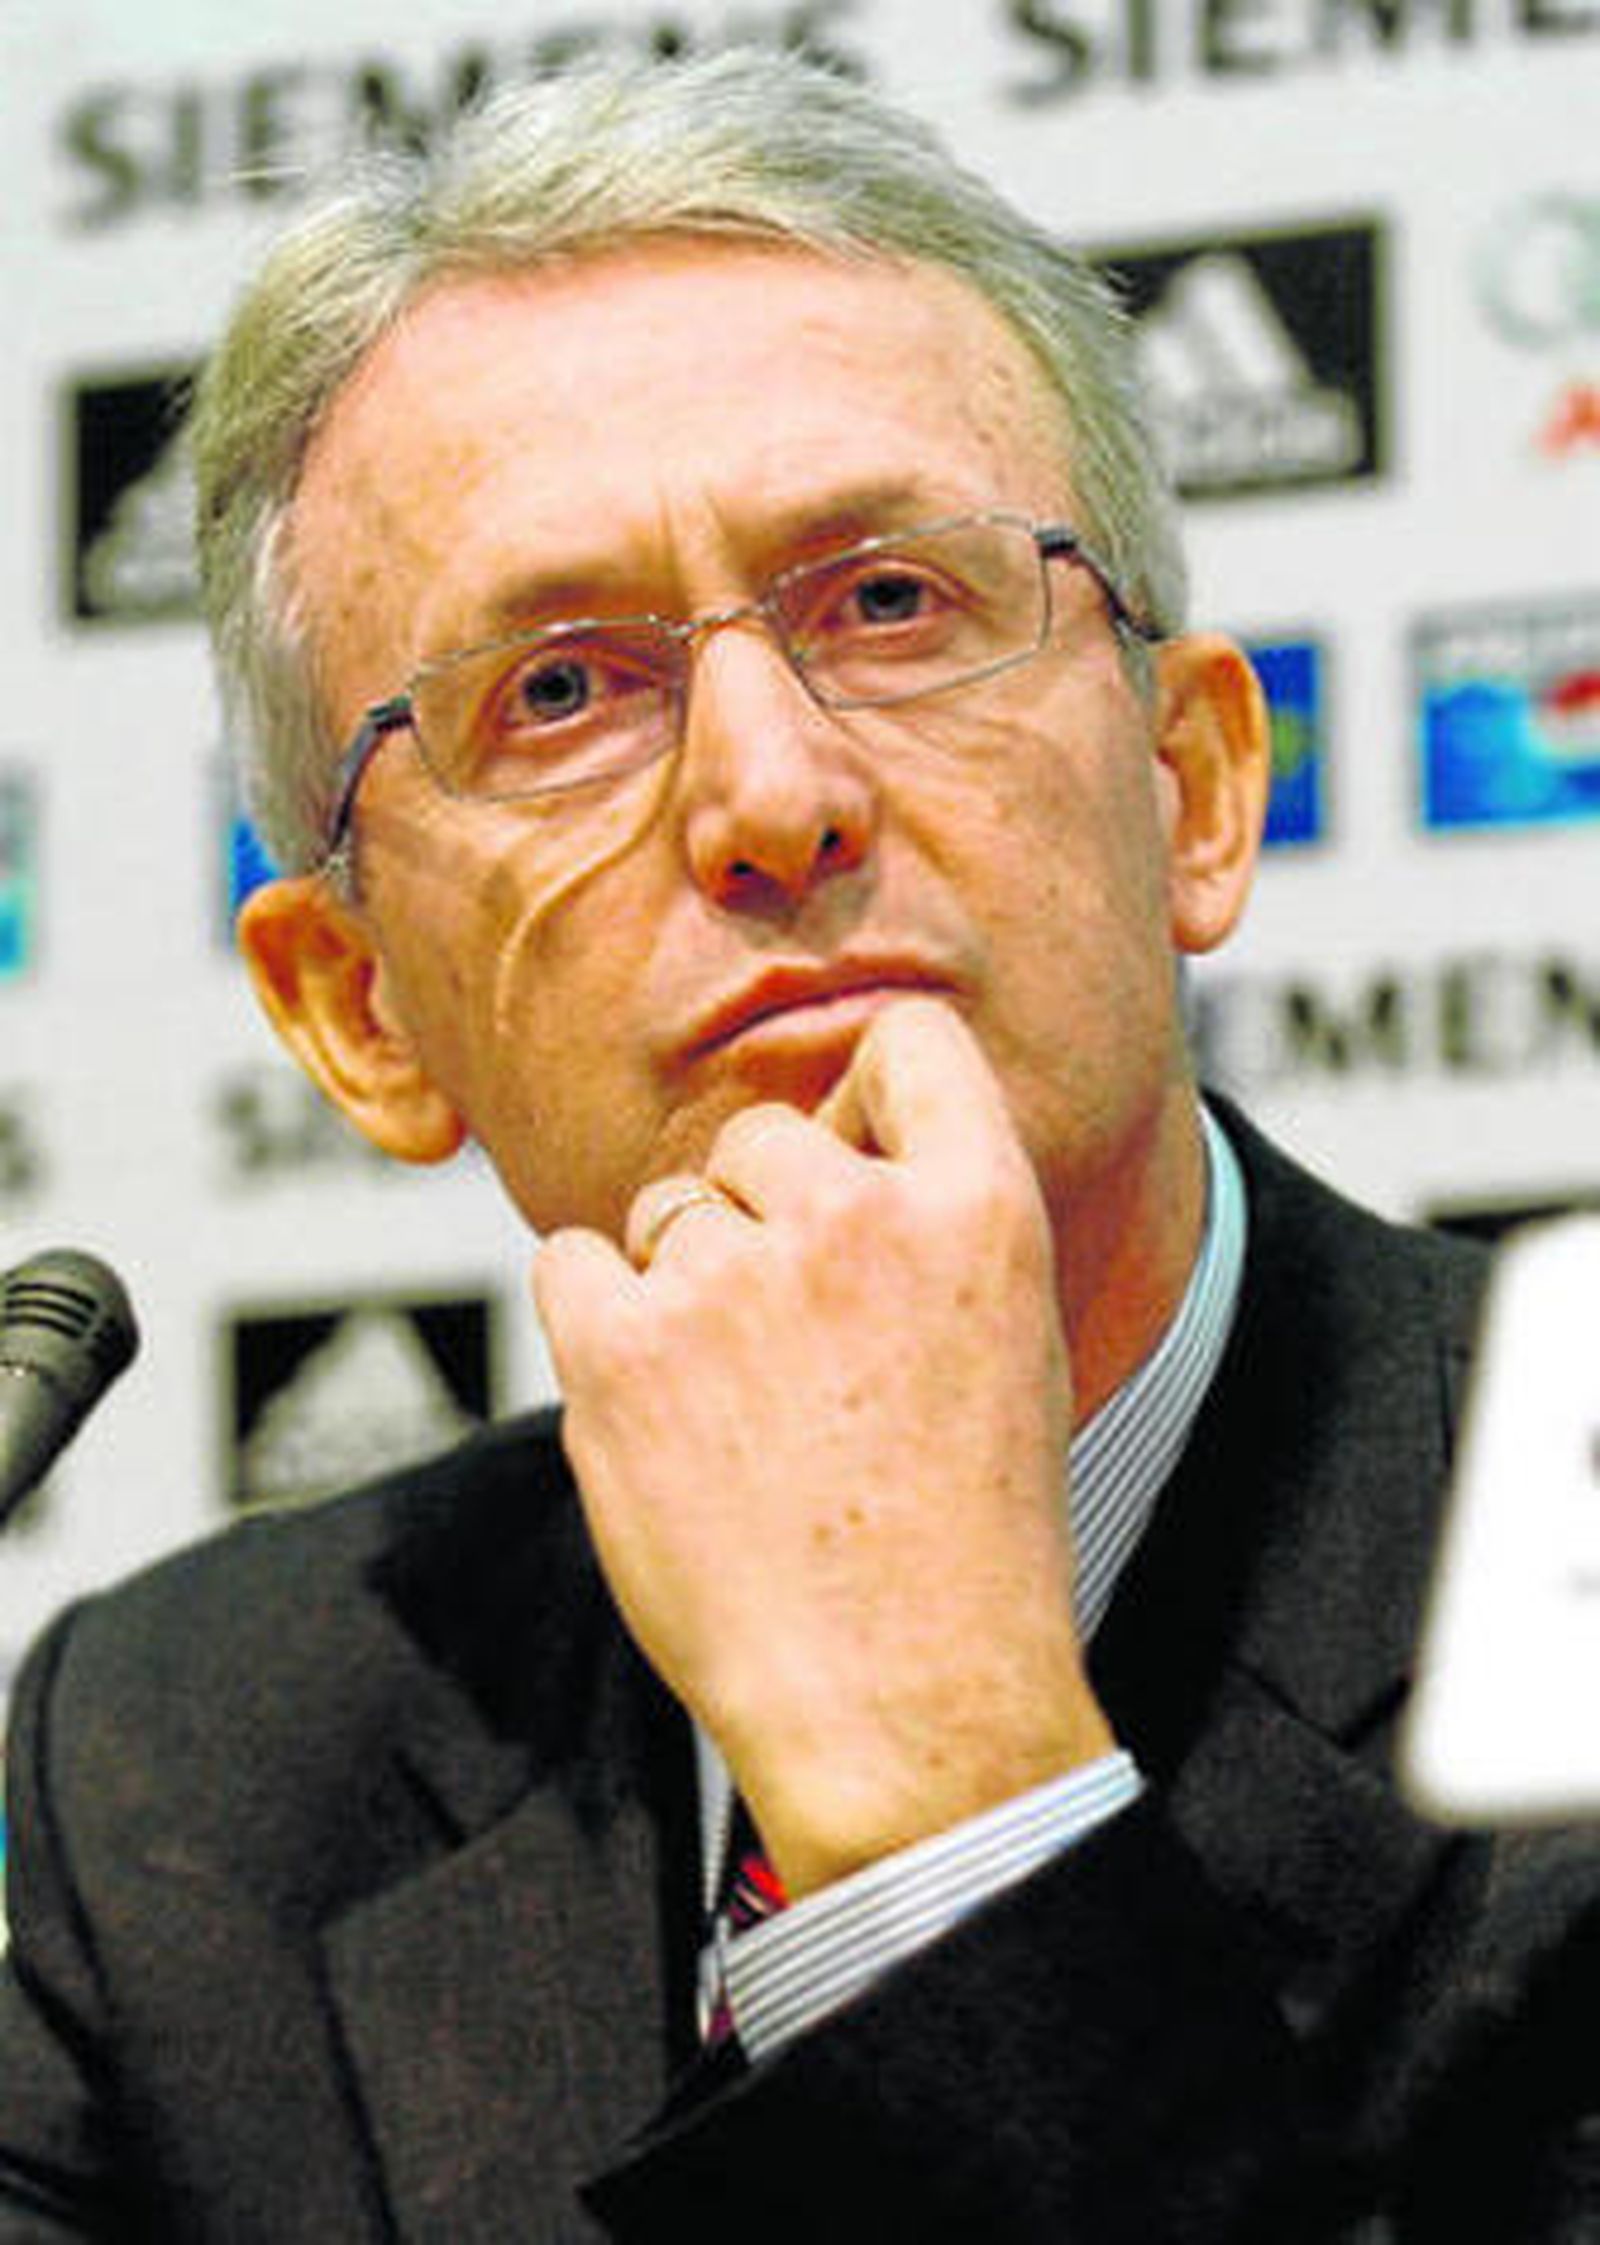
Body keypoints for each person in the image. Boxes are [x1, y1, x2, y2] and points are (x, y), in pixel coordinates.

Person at [0, 46, 1594, 2243]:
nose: (768, 796)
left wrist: (944, 1806)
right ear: (361, 1014)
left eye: (889, 604)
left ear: (1193, 790)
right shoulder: (194, 1755)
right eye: (556, 693)